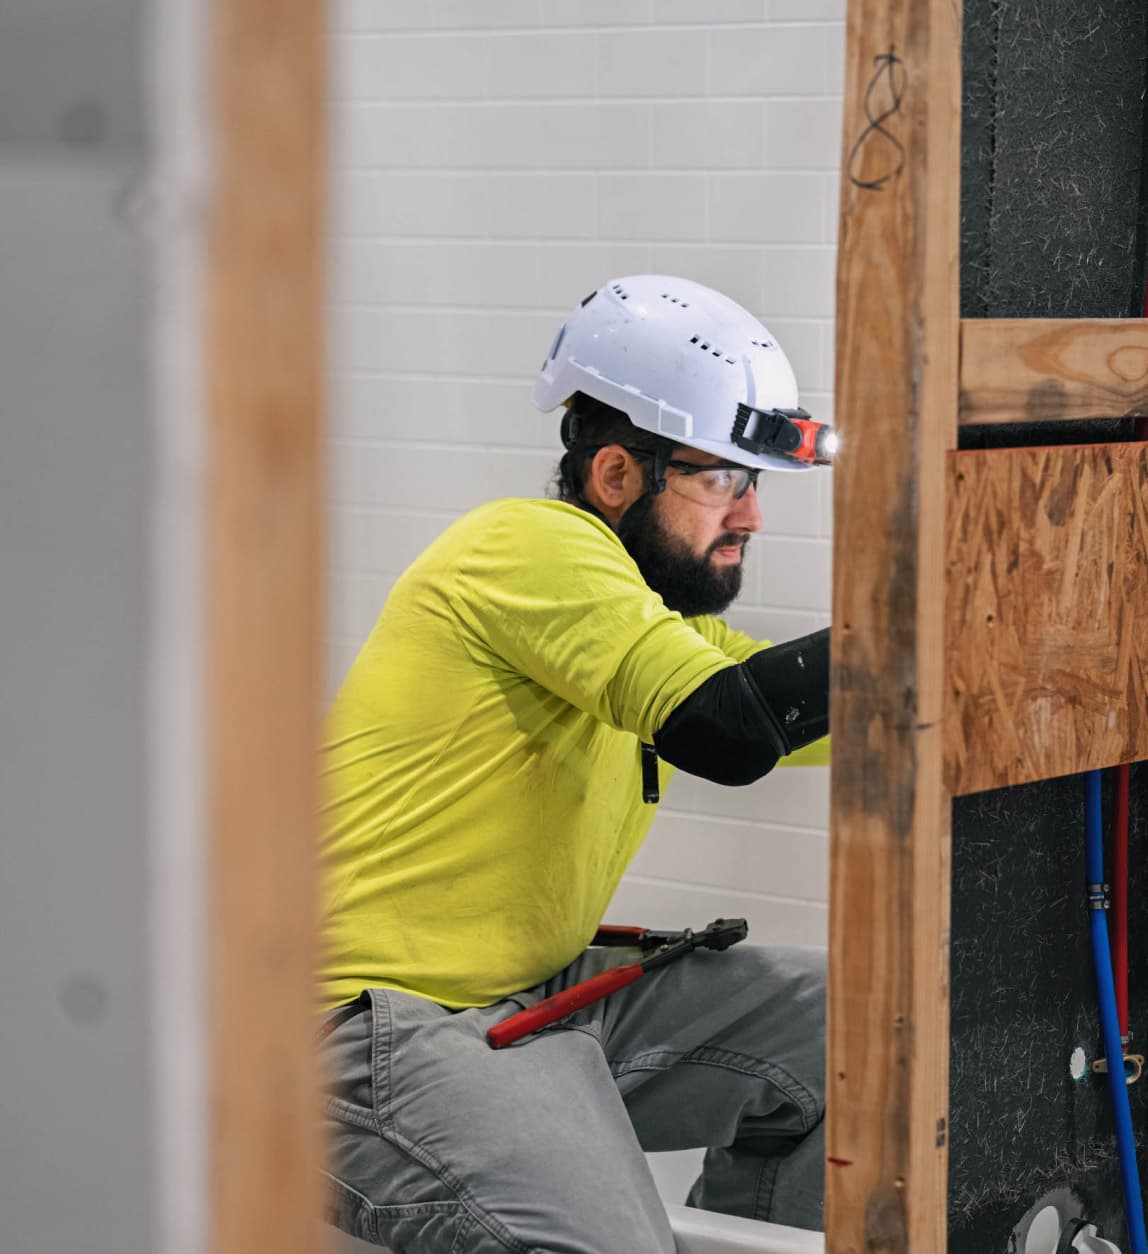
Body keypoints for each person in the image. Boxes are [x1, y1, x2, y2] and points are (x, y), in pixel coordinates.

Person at [318, 274, 833, 1254]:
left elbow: (786, 713)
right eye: (721, 480)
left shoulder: (646, 630)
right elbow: (728, 730)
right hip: (369, 1024)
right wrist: (907, 629)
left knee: (866, 1043)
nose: (751, 518)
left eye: (751, 484)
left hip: (534, 986)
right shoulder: (527, 545)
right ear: (613, 476)